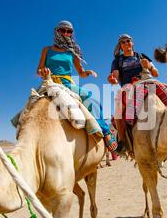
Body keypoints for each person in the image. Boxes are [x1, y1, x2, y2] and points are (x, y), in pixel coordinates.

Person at [37, 20, 117, 152]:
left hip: (67, 84)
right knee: (32, 103)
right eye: (63, 30)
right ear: (57, 31)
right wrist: (43, 72)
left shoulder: (72, 53)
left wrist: (88, 72)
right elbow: (38, 70)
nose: (66, 33)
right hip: (50, 82)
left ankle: (106, 132)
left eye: (69, 31)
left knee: (90, 98)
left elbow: (81, 72)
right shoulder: (47, 50)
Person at [107, 34, 159, 152]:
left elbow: (156, 73)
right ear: (120, 46)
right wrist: (112, 80)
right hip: (129, 86)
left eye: (128, 41)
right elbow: (115, 77)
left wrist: (149, 67)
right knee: (119, 107)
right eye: (123, 42)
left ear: (132, 43)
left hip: (147, 82)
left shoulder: (141, 56)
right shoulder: (118, 61)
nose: (126, 44)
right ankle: (121, 140)